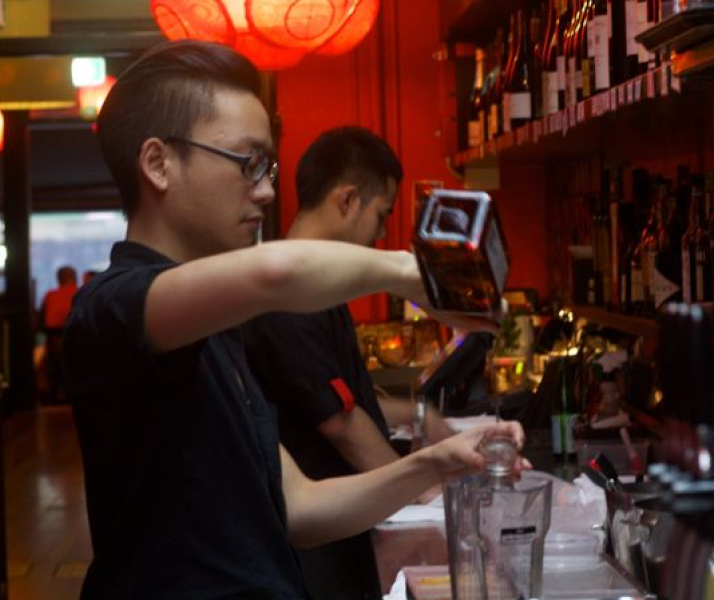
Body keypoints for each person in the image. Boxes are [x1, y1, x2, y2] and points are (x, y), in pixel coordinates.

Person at [62, 40, 526, 600]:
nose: (266, 190)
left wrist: (433, 464)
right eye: (248, 163)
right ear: (159, 164)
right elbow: (274, 273)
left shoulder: (213, 330)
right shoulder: (113, 307)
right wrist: (416, 274)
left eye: (268, 166)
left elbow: (299, 507)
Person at [244, 126, 455, 600]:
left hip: (339, 525)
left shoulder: (319, 287)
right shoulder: (288, 297)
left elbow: (347, 396)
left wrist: (418, 414)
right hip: (315, 544)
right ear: (347, 199)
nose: (380, 234)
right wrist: (423, 491)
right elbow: (341, 423)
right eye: (381, 215)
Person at [39, 265, 77, 404]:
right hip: (75, 337)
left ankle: (54, 397)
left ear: (59, 279)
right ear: (74, 278)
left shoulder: (50, 296)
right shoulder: (80, 293)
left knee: (54, 369)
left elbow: (41, 320)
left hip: (53, 338)